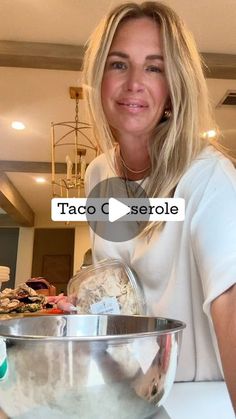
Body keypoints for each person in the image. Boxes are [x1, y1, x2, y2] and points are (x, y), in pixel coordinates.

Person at [82, 1, 236, 410]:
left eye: (154, 67)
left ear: (174, 86)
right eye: (118, 64)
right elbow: (116, 289)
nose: (134, 82)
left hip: (205, 398)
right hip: (136, 394)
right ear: (98, 79)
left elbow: (230, 297)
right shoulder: (99, 174)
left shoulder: (208, 176)